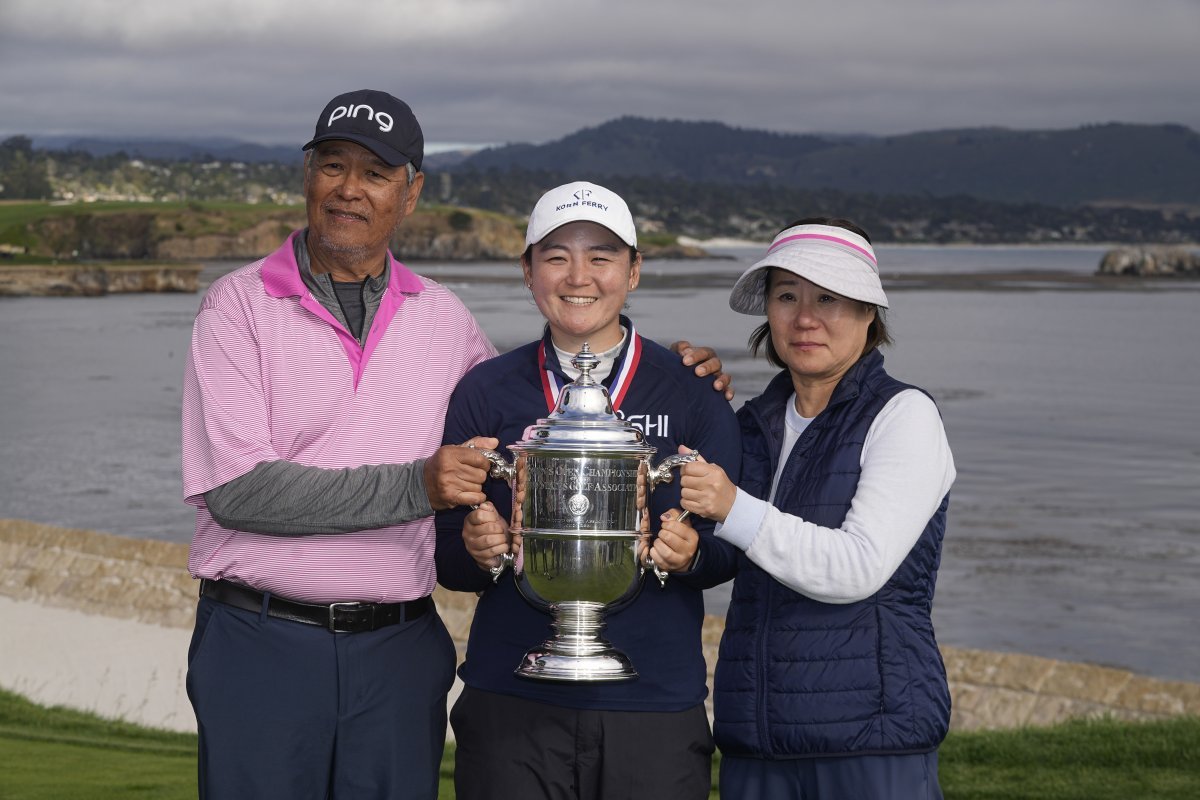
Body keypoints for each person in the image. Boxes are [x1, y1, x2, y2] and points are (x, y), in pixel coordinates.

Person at [181, 91, 732, 800]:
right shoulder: (237, 306)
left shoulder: (444, 321)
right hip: (261, 641)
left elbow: (535, 398)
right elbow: (237, 490)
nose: (351, 188)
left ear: (410, 194)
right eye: (333, 165)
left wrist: (678, 367)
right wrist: (421, 486)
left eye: (377, 173)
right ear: (307, 176)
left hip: (399, 650)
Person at [434, 181, 742, 800]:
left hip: (652, 702)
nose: (579, 276)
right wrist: (477, 548)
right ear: (527, 272)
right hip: (512, 695)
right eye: (555, 257)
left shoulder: (690, 389)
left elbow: (727, 551)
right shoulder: (484, 390)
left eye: (601, 257)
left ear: (634, 271)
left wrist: (691, 554)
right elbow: (447, 563)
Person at [678, 218, 957, 799]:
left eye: (828, 297)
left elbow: (857, 567)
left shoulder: (904, 416)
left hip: (872, 741)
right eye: (787, 296)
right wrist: (674, 394)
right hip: (756, 740)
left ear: (868, 314)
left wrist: (731, 505)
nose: (805, 318)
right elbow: (714, 555)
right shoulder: (750, 425)